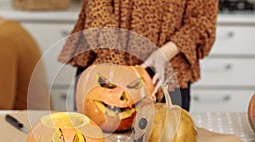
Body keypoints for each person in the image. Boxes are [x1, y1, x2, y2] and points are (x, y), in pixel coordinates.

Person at [58, 0, 219, 111]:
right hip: (104, 63)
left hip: (165, 71)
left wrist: (164, 54)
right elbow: (97, 9)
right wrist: (116, 65)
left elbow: (203, 20)